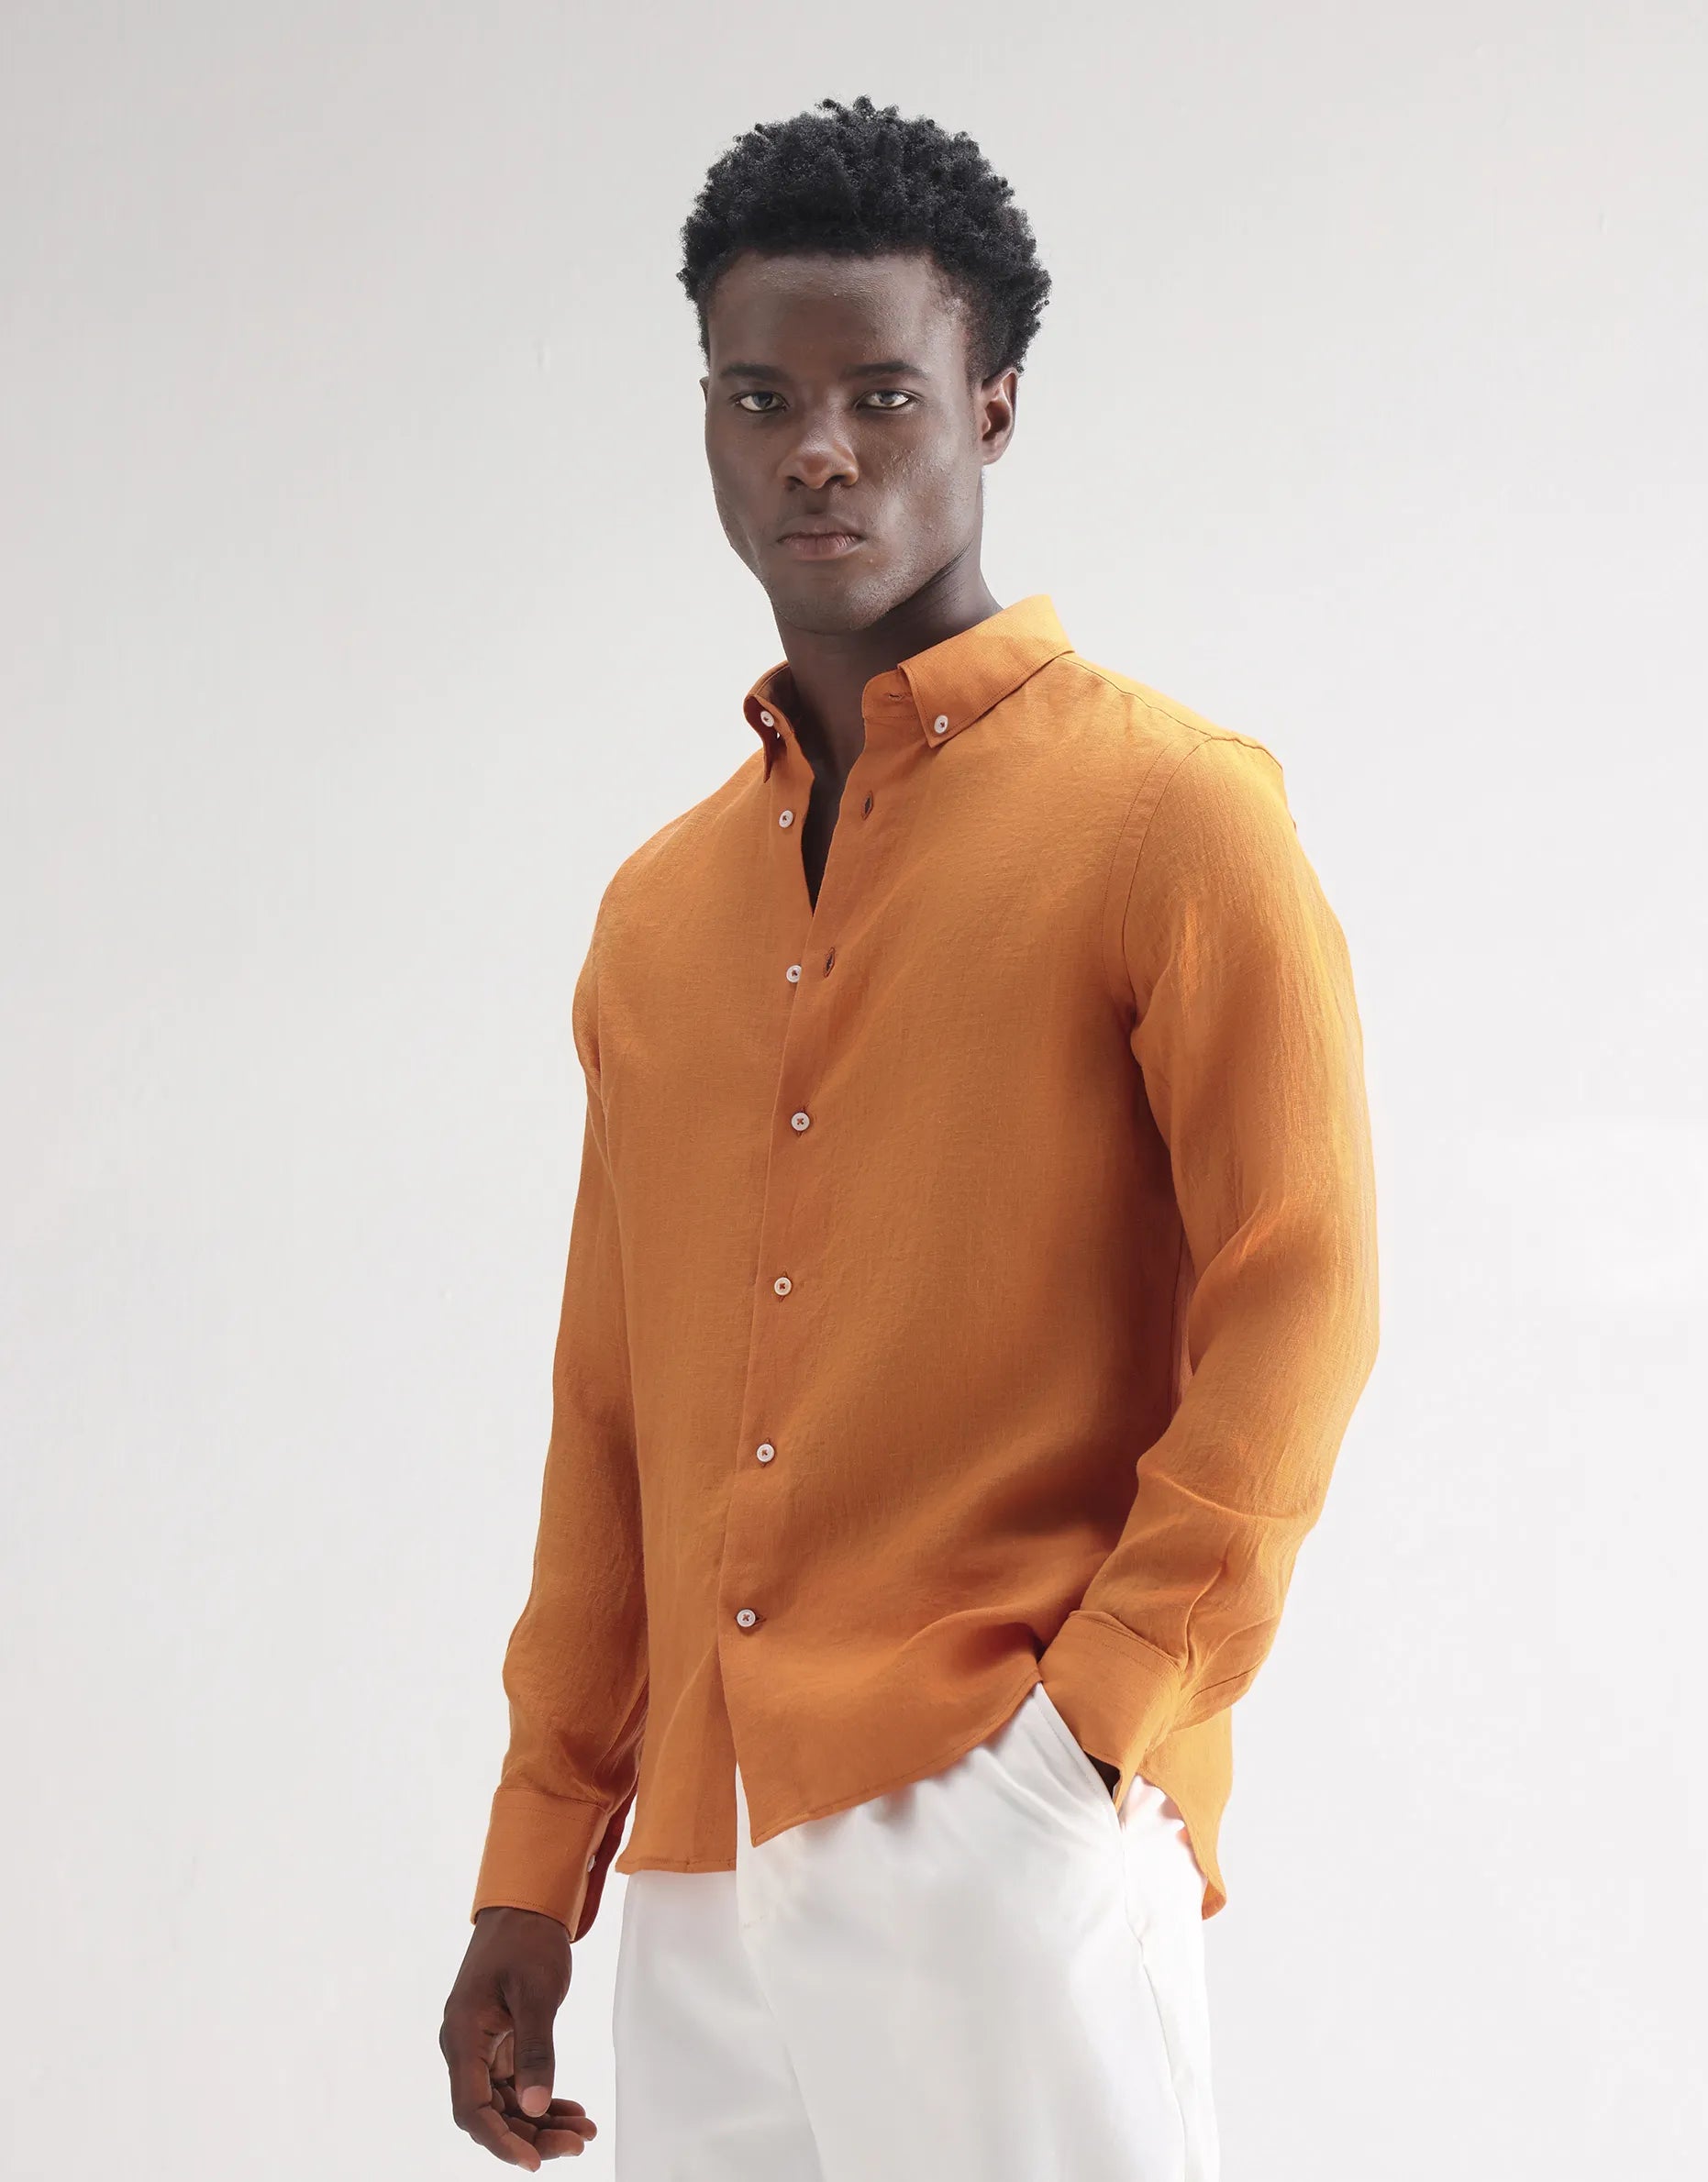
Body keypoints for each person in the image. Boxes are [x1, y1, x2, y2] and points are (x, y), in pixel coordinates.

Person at [438, 92, 1379, 2180]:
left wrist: (1088, 1735)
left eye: (881, 394)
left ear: (994, 408)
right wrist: (536, 1860)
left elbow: (1300, 1299)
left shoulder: (1176, 817)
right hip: (698, 1876)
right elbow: (612, 1412)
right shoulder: (655, 917)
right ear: (707, 419)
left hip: (1003, 1817)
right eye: (761, 397)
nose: (819, 451)